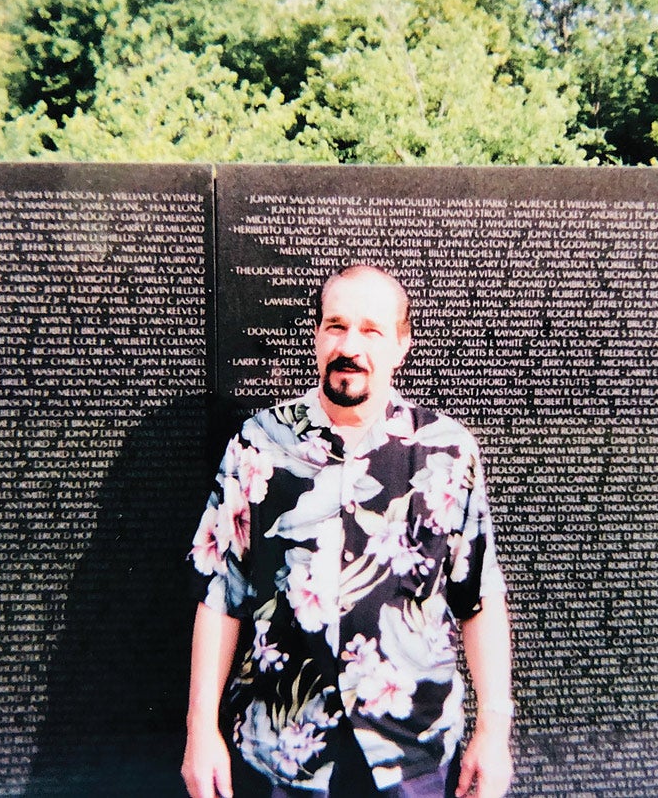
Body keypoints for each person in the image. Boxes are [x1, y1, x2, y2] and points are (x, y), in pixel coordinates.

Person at [182, 265, 513, 798]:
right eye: (335, 326)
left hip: (413, 754)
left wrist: (494, 731)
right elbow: (221, 593)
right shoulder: (258, 445)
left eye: (371, 330)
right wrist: (201, 730)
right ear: (317, 336)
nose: (349, 346)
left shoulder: (448, 451)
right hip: (287, 755)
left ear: (401, 345)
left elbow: (478, 597)